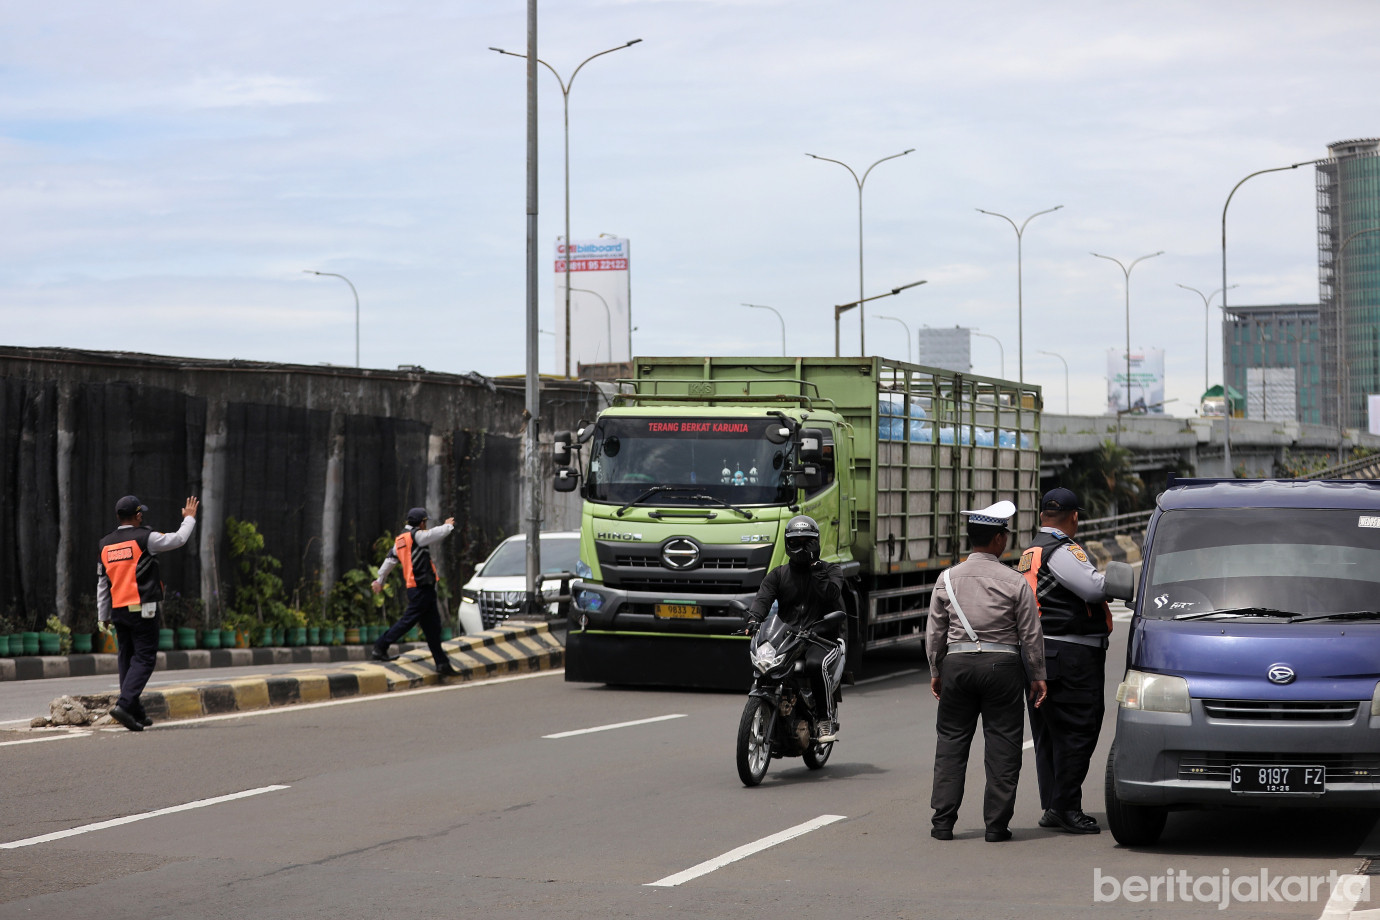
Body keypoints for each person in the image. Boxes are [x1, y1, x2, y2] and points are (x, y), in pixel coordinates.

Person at [927, 500, 1047, 843]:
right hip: (1003, 668)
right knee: (1003, 745)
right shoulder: (1014, 582)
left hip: (957, 667)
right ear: (998, 539)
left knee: (951, 741)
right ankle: (996, 826)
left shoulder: (946, 579)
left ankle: (943, 822)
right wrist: (1038, 675)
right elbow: (1030, 634)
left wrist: (937, 668)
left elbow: (935, 632)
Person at [1019, 486, 1112, 835]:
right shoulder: (1063, 549)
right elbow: (1093, 589)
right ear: (1074, 517)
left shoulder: (1032, 550)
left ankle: (1055, 804)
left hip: (1043, 649)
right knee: (1078, 728)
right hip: (1070, 653)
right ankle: (1065, 806)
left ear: (1043, 515)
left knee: (1050, 733)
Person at [97, 494, 199, 732]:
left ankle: (135, 711)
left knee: (126, 658)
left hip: (119, 610)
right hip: (142, 609)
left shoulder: (105, 544)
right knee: (144, 658)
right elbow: (179, 539)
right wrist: (190, 519)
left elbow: (102, 583)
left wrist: (102, 615)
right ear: (138, 515)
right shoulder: (146, 538)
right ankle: (124, 705)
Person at [747, 514, 845, 741]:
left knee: (814, 665)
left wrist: (815, 566)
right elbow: (763, 599)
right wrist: (753, 620)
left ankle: (824, 720)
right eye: (795, 542)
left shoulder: (831, 571)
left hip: (822, 638)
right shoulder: (778, 575)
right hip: (788, 638)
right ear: (787, 543)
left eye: (807, 542)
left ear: (817, 543)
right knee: (765, 664)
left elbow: (831, 594)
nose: (801, 548)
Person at [371, 507, 458, 675]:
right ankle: (380, 646)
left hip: (418, 588)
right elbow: (434, 534)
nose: (425, 525)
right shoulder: (417, 536)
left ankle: (442, 664)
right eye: (425, 522)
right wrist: (448, 525)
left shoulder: (401, 540)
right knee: (408, 622)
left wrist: (379, 580)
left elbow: (389, 561)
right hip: (421, 588)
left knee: (432, 627)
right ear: (421, 522)